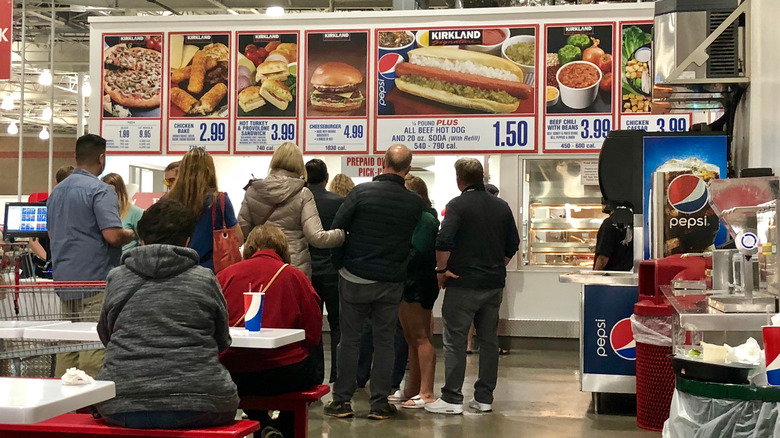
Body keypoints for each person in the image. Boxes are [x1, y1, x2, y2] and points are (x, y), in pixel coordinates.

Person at [96, 199, 238, 429]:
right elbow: (223, 340)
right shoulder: (204, 280)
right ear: (187, 240)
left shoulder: (117, 278)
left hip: (121, 402)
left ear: (141, 240)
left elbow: (106, 335)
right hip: (200, 402)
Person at [324, 144, 423, 421]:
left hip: (354, 277)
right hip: (391, 281)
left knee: (350, 341)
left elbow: (338, 230)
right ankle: (379, 403)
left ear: (383, 162)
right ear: (408, 168)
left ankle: (342, 400)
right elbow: (414, 242)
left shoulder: (360, 193)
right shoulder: (414, 203)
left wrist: (340, 264)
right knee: (385, 342)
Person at [425, 158, 520, 415]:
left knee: (455, 340)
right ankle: (484, 398)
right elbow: (513, 243)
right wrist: (495, 265)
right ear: (482, 177)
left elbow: (444, 239)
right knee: (488, 341)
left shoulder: (457, 205)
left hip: (463, 283)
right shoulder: (501, 206)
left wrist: (441, 270)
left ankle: (452, 398)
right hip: (493, 285)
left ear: (459, 180)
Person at [217, 224, 322, 438]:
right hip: (285, 374)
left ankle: (261, 422)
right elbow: (313, 334)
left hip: (233, 373)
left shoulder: (225, 276)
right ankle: (284, 427)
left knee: (246, 377)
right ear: (283, 249)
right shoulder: (295, 277)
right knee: (310, 367)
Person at [47, 134, 134, 378]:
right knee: (93, 348)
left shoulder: (56, 192)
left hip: (64, 281)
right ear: (102, 158)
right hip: (95, 281)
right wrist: (131, 233)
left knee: (69, 347)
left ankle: (63, 408)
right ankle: (90, 407)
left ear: (75, 157)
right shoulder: (100, 190)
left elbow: (52, 233)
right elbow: (113, 236)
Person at [238, 142, 344, 278]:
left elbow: (242, 233)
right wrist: (342, 234)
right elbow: (316, 237)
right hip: (294, 267)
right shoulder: (303, 193)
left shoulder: (253, 191)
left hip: (258, 265)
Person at [396, 175, 440, 409]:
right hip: (410, 281)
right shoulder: (419, 217)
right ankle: (412, 388)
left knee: (421, 337)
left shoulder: (423, 219)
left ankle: (426, 391)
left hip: (417, 282)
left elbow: (420, 252)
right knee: (412, 338)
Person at [166, 148, 243, 271]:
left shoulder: (168, 201)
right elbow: (238, 238)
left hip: (176, 269)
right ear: (210, 171)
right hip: (212, 271)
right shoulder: (219, 201)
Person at [305, 159, 344, 384]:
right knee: (339, 325)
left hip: (307, 271)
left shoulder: (300, 201)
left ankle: (315, 376)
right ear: (326, 178)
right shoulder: (339, 202)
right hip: (333, 271)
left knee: (312, 326)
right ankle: (337, 375)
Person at [102, 173, 144, 253]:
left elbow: (145, 242)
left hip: (127, 262)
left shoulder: (135, 212)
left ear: (119, 192)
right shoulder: (102, 212)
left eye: (111, 192)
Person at [593, 201, 634, 271]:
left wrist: (596, 276)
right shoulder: (633, 222)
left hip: (611, 276)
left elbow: (603, 257)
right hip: (627, 274)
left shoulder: (609, 223)